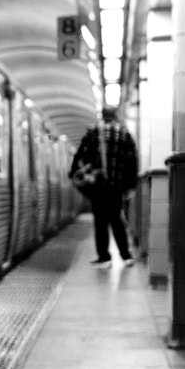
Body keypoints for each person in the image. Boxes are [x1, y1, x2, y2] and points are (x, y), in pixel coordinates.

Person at [71, 105, 138, 264]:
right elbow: (132, 161)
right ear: (115, 115)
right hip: (117, 186)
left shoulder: (93, 131)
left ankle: (104, 256)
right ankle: (125, 255)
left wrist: (79, 173)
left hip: (98, 185)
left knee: (100, 220)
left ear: (102, 115)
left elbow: (80, 156)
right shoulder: (124, 133)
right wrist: (130, 185)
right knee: (116, 218)